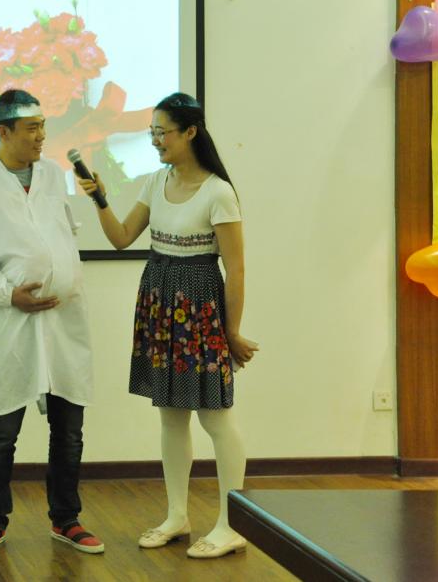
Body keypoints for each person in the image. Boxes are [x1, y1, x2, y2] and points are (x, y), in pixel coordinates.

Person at [77, 92, 258, 559]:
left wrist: (231, 332)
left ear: (190, 132)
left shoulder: (218, 192)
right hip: (160, 305)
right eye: (152, 133)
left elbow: (236, 269)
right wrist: (99, 199)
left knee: (215, 416)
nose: (156, 141)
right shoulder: (155, 181)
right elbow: (121, 238)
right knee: (171, 414)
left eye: (163, 133)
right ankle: (177, 515)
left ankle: (232, 524)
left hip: (200, 310)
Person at [0, 89, 104, 558]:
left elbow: (63, 233)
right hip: (14, 318)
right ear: (4, 131)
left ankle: (66, 518)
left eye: (43, 126)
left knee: (69, 428)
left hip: (64, 318)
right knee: (4, 430)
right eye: (32, 128)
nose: (42, 136)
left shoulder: (53, 174)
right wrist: (6, 294)